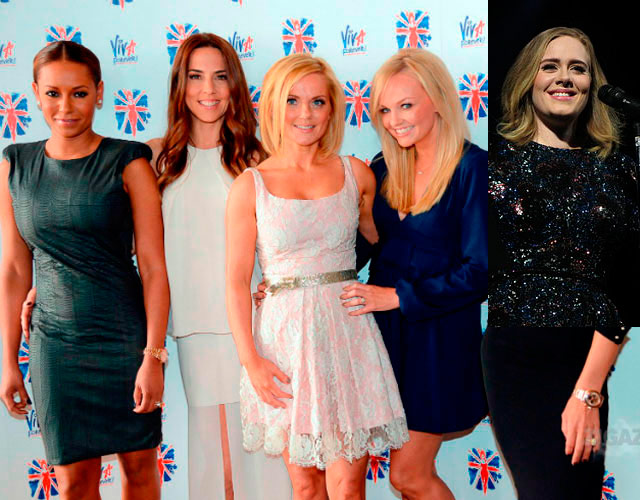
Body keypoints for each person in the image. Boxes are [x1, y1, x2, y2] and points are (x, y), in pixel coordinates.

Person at [226, 53, 408, 500]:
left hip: (347, 335)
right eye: (292, 100)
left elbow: (383, 243)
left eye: (317, 102)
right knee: (306, 487)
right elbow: (235, 281)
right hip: (283, 344)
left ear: (332, 110)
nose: (304, 114)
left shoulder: (356, 174)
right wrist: (250, 360)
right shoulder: (250, 185)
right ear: (273, 106)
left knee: (347, 488)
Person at [0, 41, 169, 500]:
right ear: (35, 93)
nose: (65, 107)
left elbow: (154, 268)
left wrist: (153, 357)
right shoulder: (15, 165)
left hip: (124, 341)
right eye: (53, 93)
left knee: (140, 473)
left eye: (78, 93)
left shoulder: (128, 160)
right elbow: (14, 269)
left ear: (99, 92)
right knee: (74, 484)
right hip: (55, 347)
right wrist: (9, 361)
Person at [485, 27, 639, 500]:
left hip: (587, 355)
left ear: (593, 85)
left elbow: (628, 285)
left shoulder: (619, 170)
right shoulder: (492, 166)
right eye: (550, 66)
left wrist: (588, 390)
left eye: (578, 68)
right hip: (514, 357)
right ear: (528, 80)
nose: (564, 77)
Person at [146, 33, 291, 499]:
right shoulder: (156, 157)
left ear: (234, 86)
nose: (207, 89)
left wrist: (278, 283)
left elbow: (287, 239)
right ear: (180, 85)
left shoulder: (259, 158)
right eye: (195, 77)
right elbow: (123, 241)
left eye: (220, 77)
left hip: (251, 327)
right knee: (217, 468)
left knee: (261, 465)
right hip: (193, 329)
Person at [347, 48, 488, 499]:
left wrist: (397, 296)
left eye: (405, 105)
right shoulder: (383, 168)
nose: (394, 121)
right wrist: (295, 280)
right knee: (406, 481)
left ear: (438, 99)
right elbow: (361, 248)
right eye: (385, 110)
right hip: (384, 338)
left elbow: (480, 272)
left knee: (408, 476)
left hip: (440, 340)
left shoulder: (473, 168)